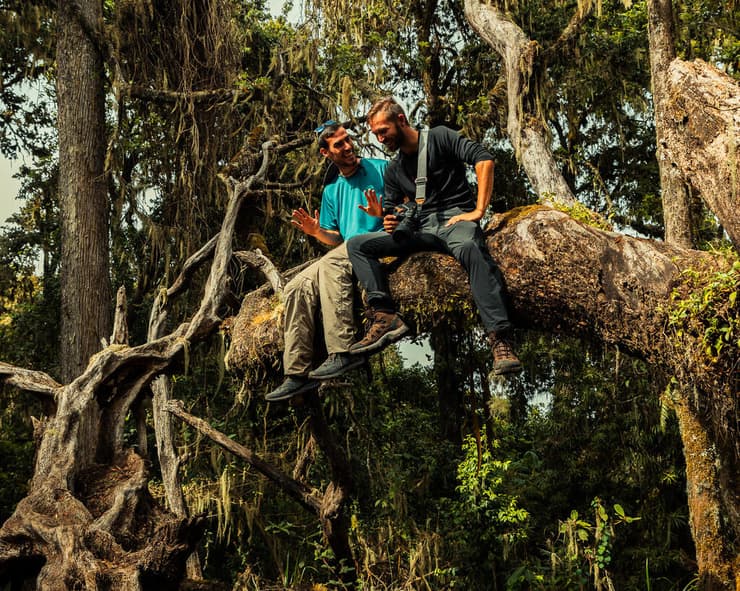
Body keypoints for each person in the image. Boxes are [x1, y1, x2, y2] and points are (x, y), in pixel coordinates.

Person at [346, 97, 522, 375]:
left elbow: (484, 159)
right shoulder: (394, 169)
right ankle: (384, 316)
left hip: (455, 218)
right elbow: (393, 210)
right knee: (357, 245)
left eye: (383, 130)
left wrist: (477, 211)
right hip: (419, 227)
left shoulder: (439, 137)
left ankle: (501, 341)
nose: (380, 139)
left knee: (470, 248)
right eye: (376, 134)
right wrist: (389, 219)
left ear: (401, 121)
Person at [265, 121, 387, 402]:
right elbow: (335, 237)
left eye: (347, 140)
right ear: (325, 153)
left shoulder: (381, 168)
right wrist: (316, 231)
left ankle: (342, 352)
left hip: (376, 241)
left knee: (332, 265)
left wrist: (384, 213)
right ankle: (297, 374)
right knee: (297, 286)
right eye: (338, 145)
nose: (347, 147)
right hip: (346, 248)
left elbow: (403, 207)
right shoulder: (332, 190)